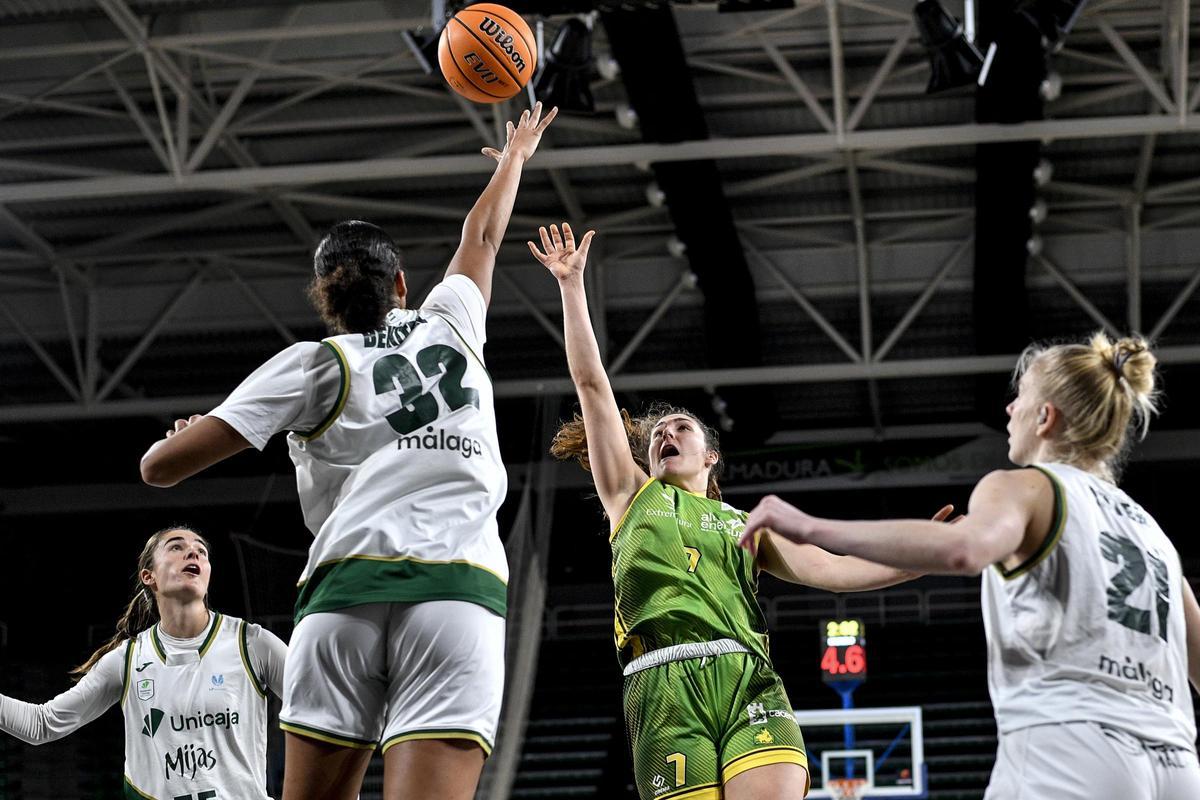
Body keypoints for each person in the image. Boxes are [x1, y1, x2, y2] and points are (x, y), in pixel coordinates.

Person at [137, 103, 557, 800]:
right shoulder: (450, 321)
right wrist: (516, 154)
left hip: (343, 598)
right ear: (401, 286)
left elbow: (159, 470)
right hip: (456, 593)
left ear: (326, 299)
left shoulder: (313, 361)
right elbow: (481, 234)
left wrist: (178, 436)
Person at [531, 221, 950, 800]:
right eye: (657, 434)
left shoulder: (747, 525)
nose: (665, 436)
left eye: (682, 428)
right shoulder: (629, 497)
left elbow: (831, 571)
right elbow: (592, 387)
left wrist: (924, 559)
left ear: (712, 455)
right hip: (662, 687)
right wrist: (572, 288)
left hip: (747, 677)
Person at [737, 333, 1200, 800]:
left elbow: (964, 550)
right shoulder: (1152, 534)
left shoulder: (1027, 487)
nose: (1009, 410)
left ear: (1045, 417)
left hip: (1073, 747)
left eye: (1019, 398)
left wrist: (811, 526)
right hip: (1178, 764)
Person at [0, 526, 286, 800]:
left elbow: (320, 707)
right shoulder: (128, 660)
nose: (194, 553)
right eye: (177, 547)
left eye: (202, 551)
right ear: (149, 576)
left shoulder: (252, 644)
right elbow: (41, 724)